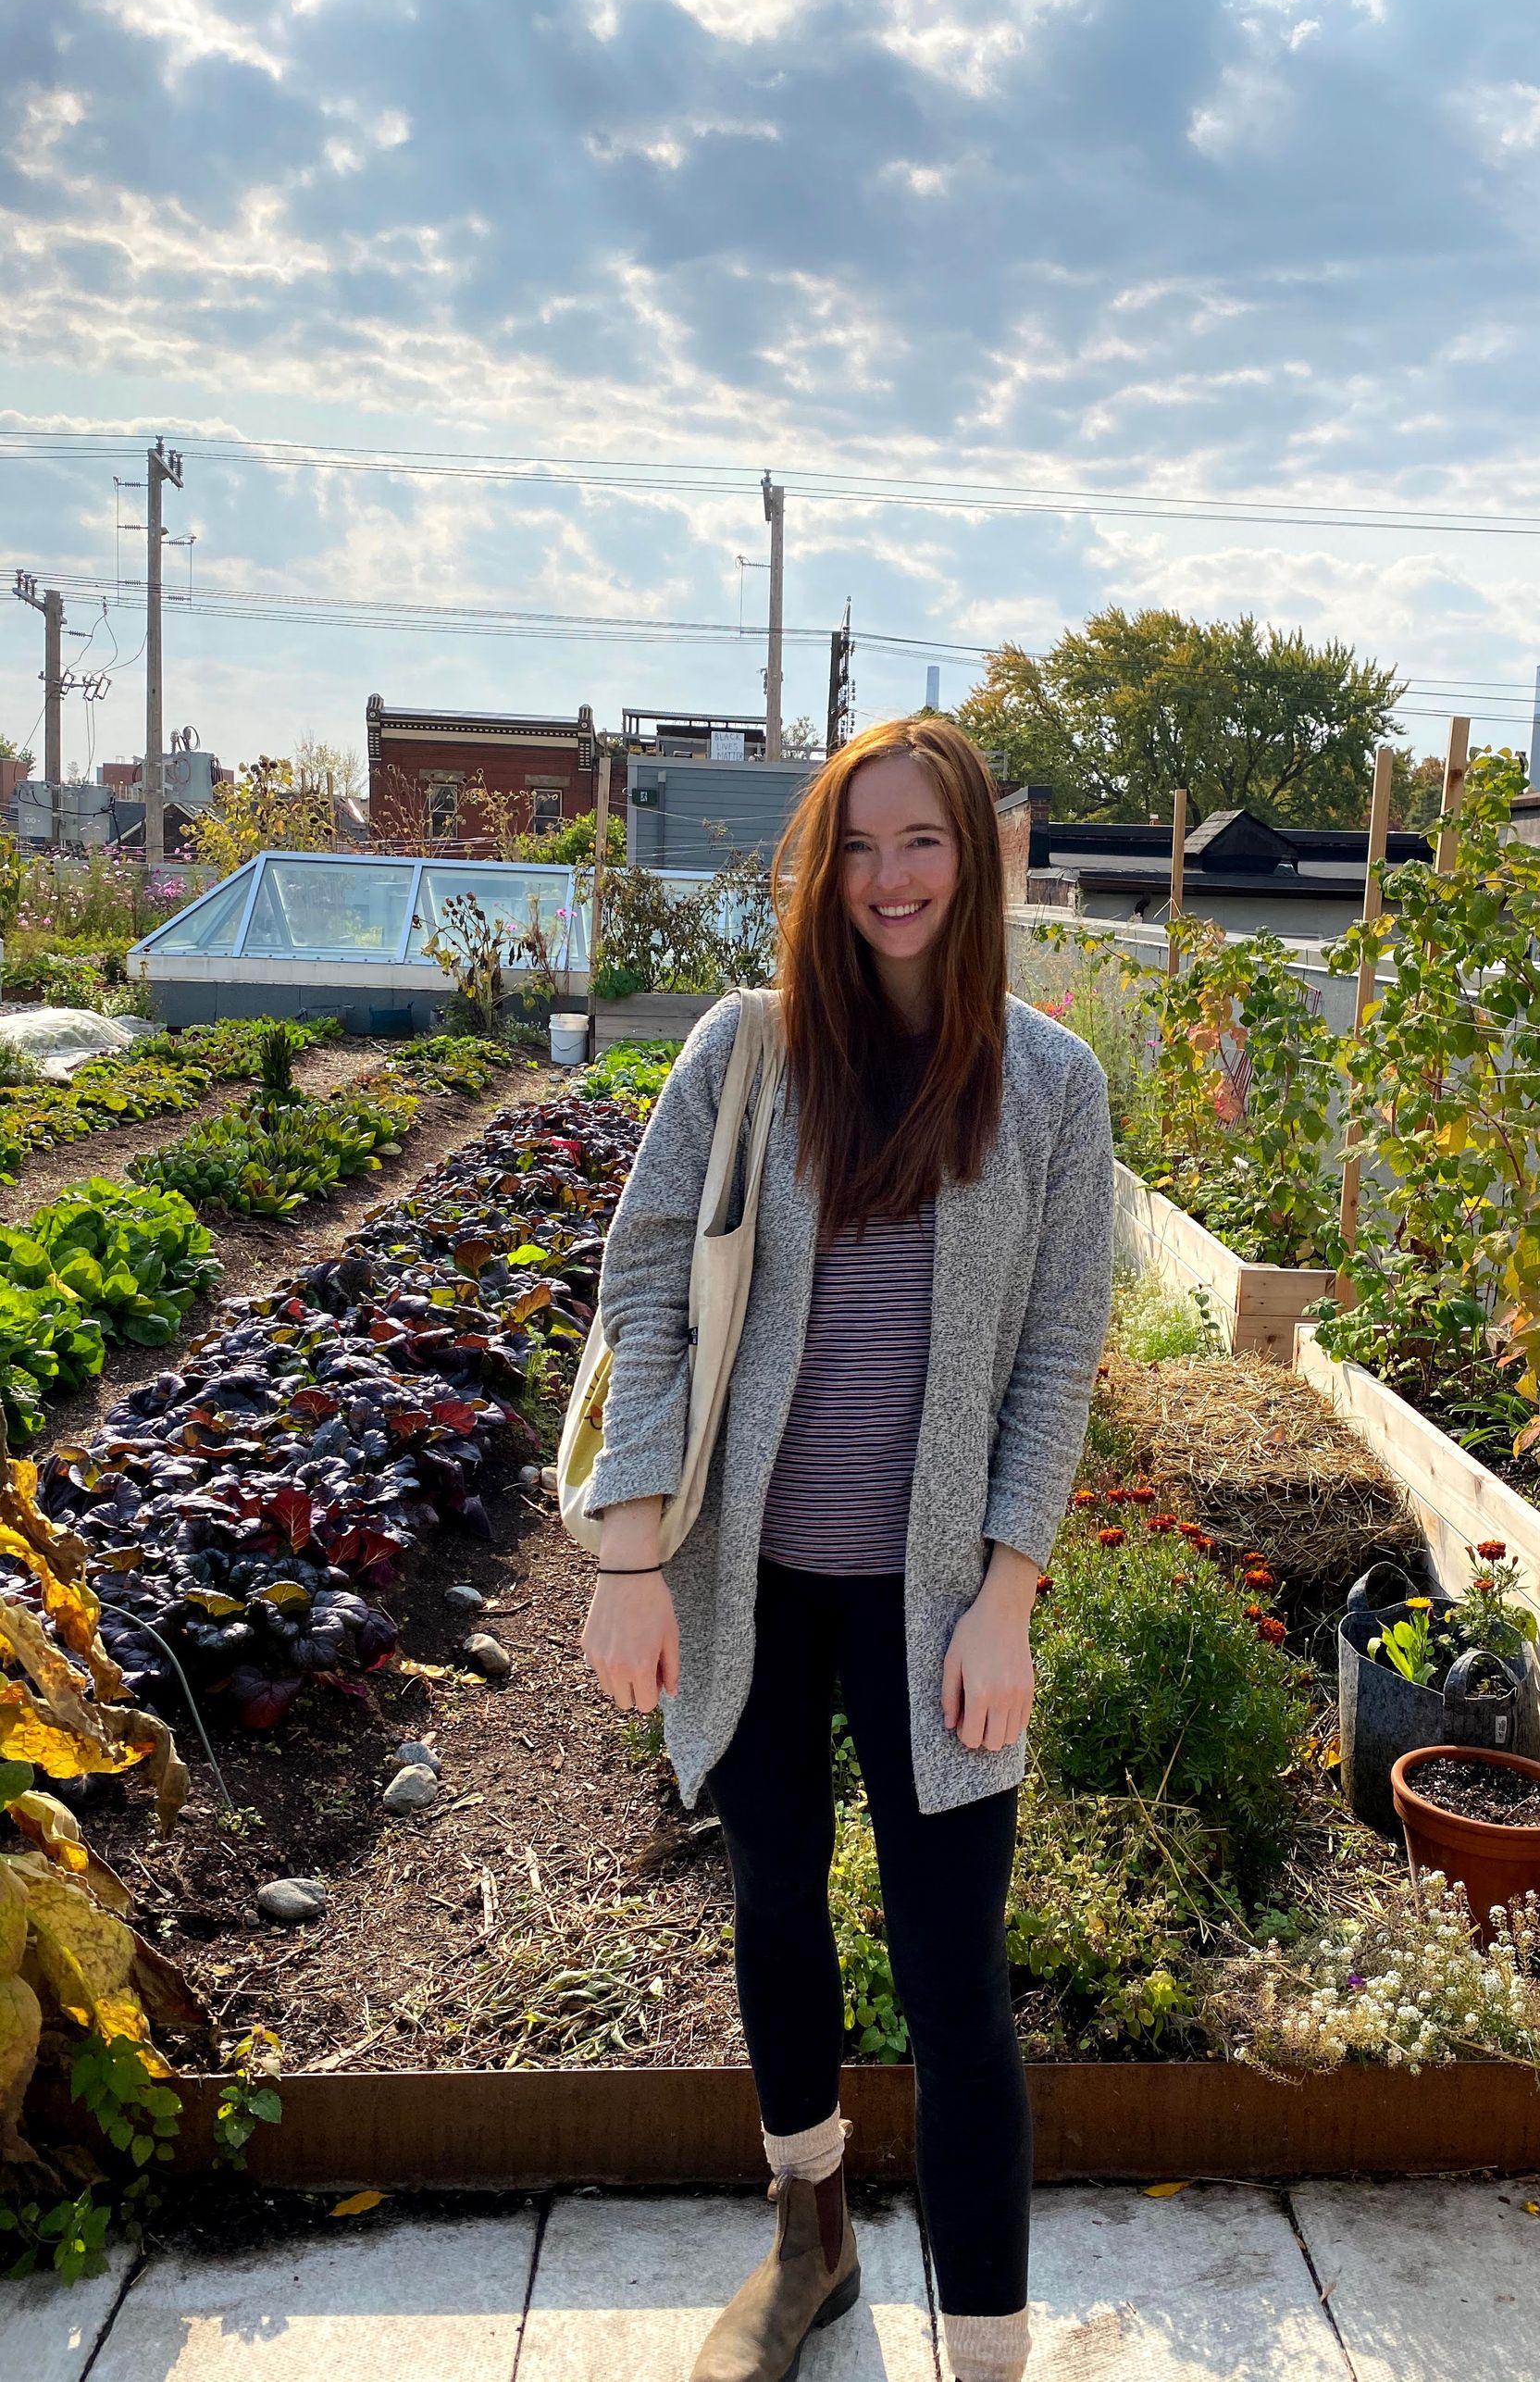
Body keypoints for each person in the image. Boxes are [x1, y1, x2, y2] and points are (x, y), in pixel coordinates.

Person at [579, 715, 1115, 2382]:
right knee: (778, 1901)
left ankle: (990, 2353)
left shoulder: (1047, 1081)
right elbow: (648, 1285)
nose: (889, 880)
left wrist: (1008, 1597)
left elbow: (1056, 1352)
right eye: (857, 846)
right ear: (822, 866)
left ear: (979, 861)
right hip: (751, 1581)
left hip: (939, 1602)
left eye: (924, 843)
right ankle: (806, 2233)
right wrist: (631, 1553)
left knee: (956, 1982)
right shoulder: (748, 1053)